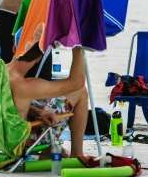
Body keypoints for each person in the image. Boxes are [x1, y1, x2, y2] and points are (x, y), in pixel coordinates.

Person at [8, 25, 88, 158]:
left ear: (14, 48)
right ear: (40, 57)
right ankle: (77, 153)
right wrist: (78, 47)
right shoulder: (27, 86)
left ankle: (49, 151)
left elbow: (6, 103)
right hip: (17, 145)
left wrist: (38, 111)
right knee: (81, 91)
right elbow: (77, 83)